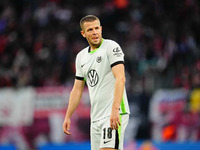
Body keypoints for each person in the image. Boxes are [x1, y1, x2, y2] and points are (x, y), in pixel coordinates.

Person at [63, 15, 130, 150]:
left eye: (96, 28)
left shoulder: (111, 47)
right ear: (83, 33)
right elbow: (77, 89)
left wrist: (115, 110)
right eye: (90, 30)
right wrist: (68, 116)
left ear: (101, 29)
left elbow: (121, 78)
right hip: (96, 118)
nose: (94, 32)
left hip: (114, 113)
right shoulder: (81, 57)